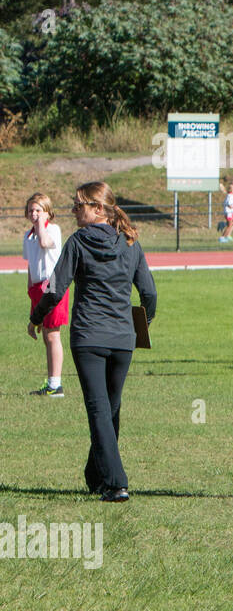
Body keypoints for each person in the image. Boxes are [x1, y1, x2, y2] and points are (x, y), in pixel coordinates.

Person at [29, 182, 156, 502]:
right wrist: (143, 323)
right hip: (123, 339)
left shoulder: (78, 243)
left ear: (99, 209)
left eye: (78, 206)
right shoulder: (130, 243)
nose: (74, 211)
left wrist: (36, 317)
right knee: (109, 408)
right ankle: (95, 474)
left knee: (101, 410)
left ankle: (116, 482)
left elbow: (56, 289)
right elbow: (149, 294)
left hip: (88, 336)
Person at [23, 193, 69, 396]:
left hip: (53, 285)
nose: (34, 214)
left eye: (39, 210)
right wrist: (30, 290)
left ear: (48, 212)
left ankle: (55, 384)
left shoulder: (53, 230)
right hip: (38, 287)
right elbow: (30, 265)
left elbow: (44, 243)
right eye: (31, 210)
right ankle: (51, 382)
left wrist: (42, 224)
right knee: (46, 336)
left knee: (52, 335)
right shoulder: (28, 235)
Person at [218, 177, 233, 243]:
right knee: (230, 226)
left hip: (232, 212)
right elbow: (229, 205)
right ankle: (222, 238)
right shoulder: (229, 196)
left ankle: (227, 233)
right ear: (232, 188)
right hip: (228, 213)